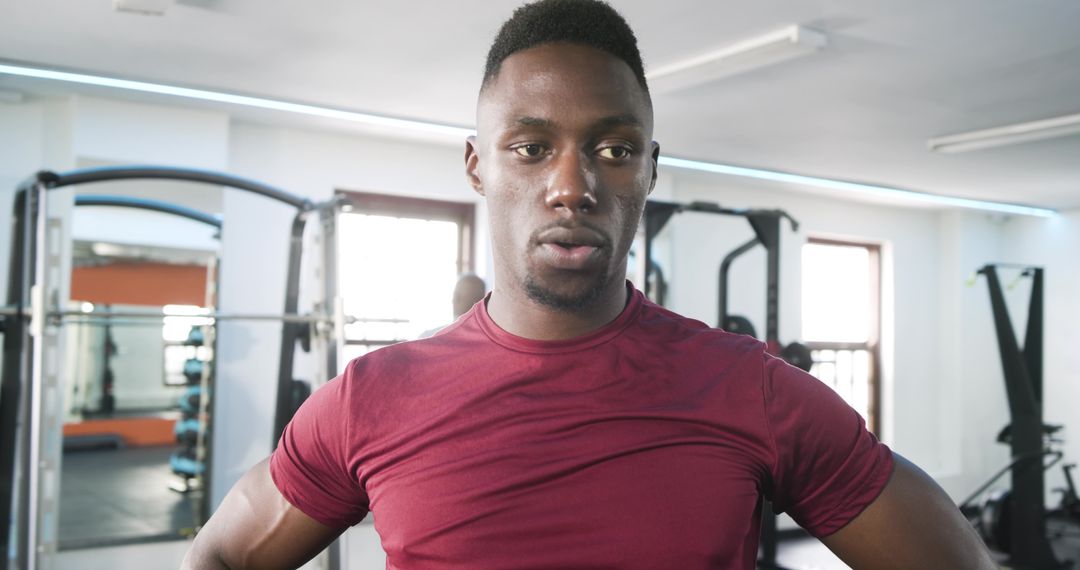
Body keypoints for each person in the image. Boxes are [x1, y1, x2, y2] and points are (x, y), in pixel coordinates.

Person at [182, 1, 997, 568]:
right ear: (477, 165)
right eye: (531, 148)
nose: (572, 187)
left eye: (613, 150)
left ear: (649, 169)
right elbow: (221, 556)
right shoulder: (371, 399)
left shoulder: (752, 391)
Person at [418, 273, 487, 338]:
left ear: (481, 300)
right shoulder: (428, 337)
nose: (455, 299)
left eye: (462, 295)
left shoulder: (429, 336)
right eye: (456, 294)